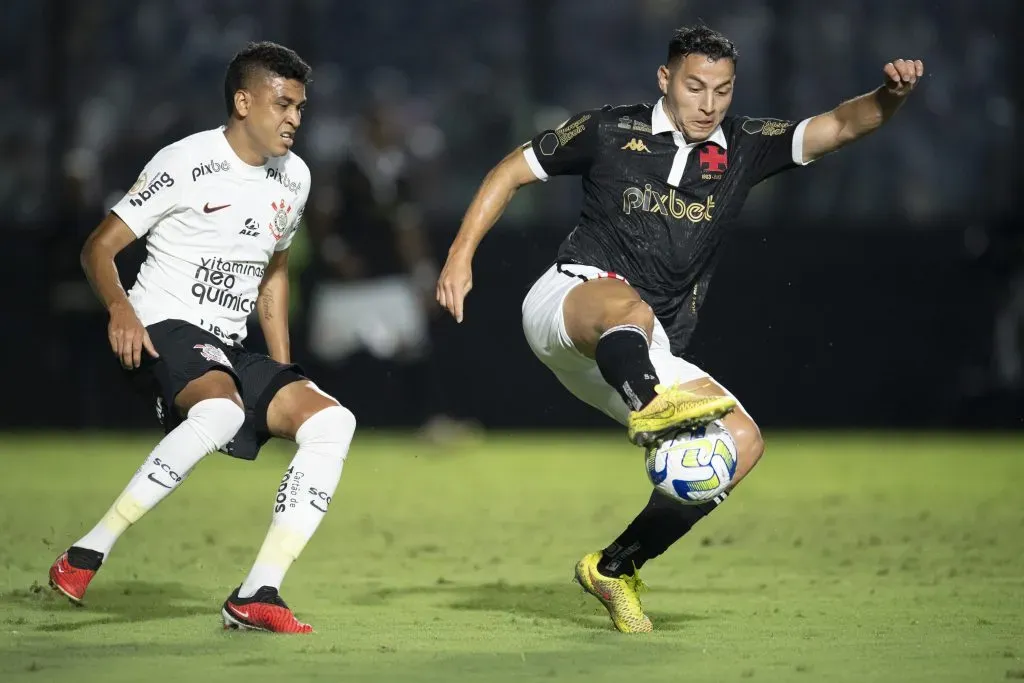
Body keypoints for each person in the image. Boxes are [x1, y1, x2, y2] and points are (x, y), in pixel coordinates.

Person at [436, 24, 924, 632]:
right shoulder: (610, 131)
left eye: (723, 90)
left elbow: (841, 126)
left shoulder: (744, 146)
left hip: (641, 349)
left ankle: (616, 566)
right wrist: (460, 255)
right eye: (695, 87)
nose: (709, 103)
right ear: (665, 80)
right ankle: (652, 408)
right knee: (627, 308)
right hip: (570, 300)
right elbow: (510, 170)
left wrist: (891, 97)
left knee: (743, 445)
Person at [48, 41, 356, 634]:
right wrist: (120, 311)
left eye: (301, 108)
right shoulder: (185, 162)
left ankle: (258, 592)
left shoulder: (295, 179)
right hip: (160, 327)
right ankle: (87, 552)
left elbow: (276, 270)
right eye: (283, 103)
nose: (294, 118)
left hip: (228, 346)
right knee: (217, 413)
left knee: (332, 422)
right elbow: (99, 247)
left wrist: (283, 368)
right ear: (244, 101)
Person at [303, 103, 475, 442]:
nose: (394, 133)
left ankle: (433, 422)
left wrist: (424, 277)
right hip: (346, 287)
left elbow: (408, 230)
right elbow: (320, 217)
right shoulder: (344, 170)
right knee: (325, 360)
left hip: (389, 281)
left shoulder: (398, 175)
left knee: (415, 352)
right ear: (368, 130)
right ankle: (303, 421)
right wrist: (335, 253)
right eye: (386, 126)